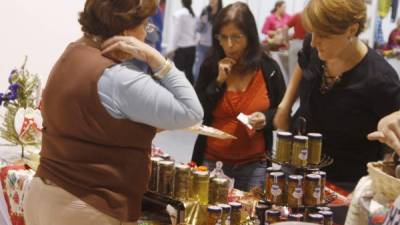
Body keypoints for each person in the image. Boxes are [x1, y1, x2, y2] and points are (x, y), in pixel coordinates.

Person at [23, 0, 203, 225]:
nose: (146, 36)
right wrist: (157, 60)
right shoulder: (118, 78)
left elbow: (93, 122)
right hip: (87, 206)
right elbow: (192, 111)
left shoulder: (72, 54)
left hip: (45, 195)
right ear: (127, 30)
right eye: (146, 26)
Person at [273, 0, 400, 191]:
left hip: (341, 184)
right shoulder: (313, 46)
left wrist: (367, 188)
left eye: (323, 35)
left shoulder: (380, 80)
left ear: (351, 30)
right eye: (313, 32)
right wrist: (285, 106)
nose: (314, 41)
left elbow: (391, 150)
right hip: (296, 163)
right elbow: (303, 65)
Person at [191, 2, 286, 191]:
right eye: (223, 37)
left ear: (250, 37)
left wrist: (265, 118)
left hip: (254, 166)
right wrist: (218, 82)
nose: (229, 45)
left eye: (236, 37)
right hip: (211, 162)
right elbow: (197, 110)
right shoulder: (210, 66)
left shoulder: (268, 68)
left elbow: (283, 112)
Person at [192, 0, 223, 84]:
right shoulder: (205, 10)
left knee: (212, 71)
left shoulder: (222, 13)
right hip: (202, 46)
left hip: (214, 47)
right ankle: (197, 89)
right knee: (197, 70)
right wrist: (202, 21)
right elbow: (197, 29)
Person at [169, 0, 197, 84]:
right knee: (189, 73)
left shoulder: (179, 14)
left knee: (177, 73)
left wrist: (172, 49)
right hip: (192, 47)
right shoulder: (193, 14)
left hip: (182, 49)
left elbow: (176, 33)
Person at [286, 11, 307, 78]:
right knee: (305, 70)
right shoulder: (313, 17)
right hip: (307, 45)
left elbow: (285, 28)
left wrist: (286, 42)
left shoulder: (298, 15)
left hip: (296, 44)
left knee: (292, 70)